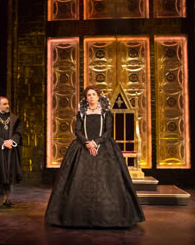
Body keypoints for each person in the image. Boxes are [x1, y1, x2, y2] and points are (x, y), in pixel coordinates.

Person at [45, 86, 145, 228]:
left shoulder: (105, 112)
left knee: (107, 180)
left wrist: (95, 142)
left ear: (98, 96)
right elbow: (77, 130)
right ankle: (77, 217)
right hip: (82, 147)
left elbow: (108, 131)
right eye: (88, 95)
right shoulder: (82, 112)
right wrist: (87, 143)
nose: (91, 97)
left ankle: (109, 217)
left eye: (93, 94)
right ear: (86, 98)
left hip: (104, 147)